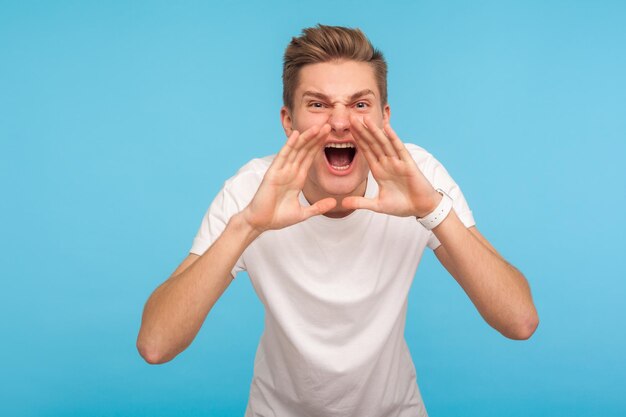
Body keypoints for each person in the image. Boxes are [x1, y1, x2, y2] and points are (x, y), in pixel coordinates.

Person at [136, 24, 539, 417]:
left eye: (359, 104)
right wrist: (247, 226)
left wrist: (431, 210)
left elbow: (519, 320)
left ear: (384, 118)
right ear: (288, 121)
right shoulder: (251, 190)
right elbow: (156, 344)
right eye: (318, 104)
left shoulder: (418, 177)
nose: (341, 121)